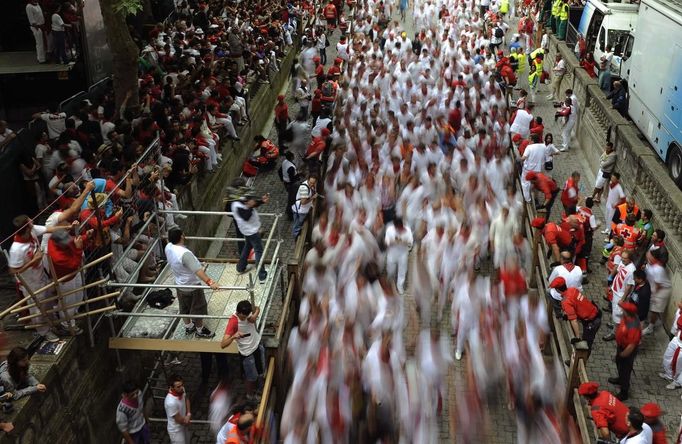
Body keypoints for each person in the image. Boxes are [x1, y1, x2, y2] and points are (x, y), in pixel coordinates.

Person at [7, 215, 65, 342]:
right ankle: (44, 332)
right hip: (31, 283)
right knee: (38, 309)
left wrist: (69, 227)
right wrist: (33, 261)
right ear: (26, 228)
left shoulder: (32, 230)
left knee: (49, 302)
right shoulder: (16, 249)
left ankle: (54, 323)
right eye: (29, 221)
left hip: (41, 275)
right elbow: (13, 271)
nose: (32, 221)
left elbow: (49, 229)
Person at [164, 228, 217, 338]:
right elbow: (198, 271)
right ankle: (199, 329)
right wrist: (210, 282)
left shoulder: (168, 247)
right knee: (198, 309)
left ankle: (188, 326)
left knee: (184, 308)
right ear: (182, 236)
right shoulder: (185, 254)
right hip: (192, 286)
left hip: (179, 284)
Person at [220, 300, 265, 401]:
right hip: (247, 353)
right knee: (251, 377)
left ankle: (260, 389)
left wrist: (255, 314)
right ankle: (250, 396)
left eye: (247, 315)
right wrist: (233, 337)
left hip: (257, 345)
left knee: (261, 370)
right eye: (243, 317)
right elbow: (223, 345)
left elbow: (256, 310)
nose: (245, 318)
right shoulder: (233, 322)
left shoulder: (247, 312)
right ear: (239, 312)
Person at [552, 279, 602, 353]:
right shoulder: (572, 289)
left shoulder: (565, 301)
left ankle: (580, 362)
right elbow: (576, 304)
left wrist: (577, 337)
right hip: (594, 313)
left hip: (592, 322)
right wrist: (568, 314)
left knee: (585, 346)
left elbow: (574, 320)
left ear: (557, 290)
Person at [231, 193, 269, 282]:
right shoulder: (236, 205)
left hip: (249, 230)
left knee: (247, 246)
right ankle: (262, 275)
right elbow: (246, 216)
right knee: (258, 251)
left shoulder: (240, 199)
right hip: (251, 231)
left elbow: (252, 202)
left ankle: (240, 267)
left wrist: (261, 201)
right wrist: (250, 206)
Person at [608, 301, 641, 401]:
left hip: (627, 351)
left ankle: (624, 392)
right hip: (621, 347)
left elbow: (631, 346)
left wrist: (622, 354)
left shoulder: (633, 326)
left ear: (628, 312)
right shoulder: (626, 317)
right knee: (619, 365)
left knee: (625, 370)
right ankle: (620, 379)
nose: (622, 310)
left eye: (624, 310)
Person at [642, 248, 672, 335]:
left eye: (650, 256)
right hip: (655, 287)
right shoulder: (651, 263)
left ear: (655, 258)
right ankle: (652, 320)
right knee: (652, 306)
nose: (648, 257)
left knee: (655, 309)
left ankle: (650, 327)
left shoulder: (658, 269)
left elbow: (658, 285)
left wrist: (653, 294)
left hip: (661, 290)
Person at [546, 252, 583, 317]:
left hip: (562, 296)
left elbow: (551, 281)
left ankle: (558, 310)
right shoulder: (579, 269)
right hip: (574, 295)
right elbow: (580, 283)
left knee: (548, 291)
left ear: (561, 259)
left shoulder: (557, 269)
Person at [384, 217, 413, 295]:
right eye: (398, 227)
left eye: (401, 226)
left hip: (403, 253)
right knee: (390, 270)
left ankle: (400, 286)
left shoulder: (407, 230)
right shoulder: (390, 229)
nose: (400, 229)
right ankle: (390, 285)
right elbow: (386, 242)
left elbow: (410, 242)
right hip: (392, 253)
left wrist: (403, 241)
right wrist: (393, 241)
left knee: (402, 270)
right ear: (395, 226)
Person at [164, 374, 191, 444]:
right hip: (176, 430)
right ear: (172, 387)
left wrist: (188, 414)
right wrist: (186, 421)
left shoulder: (181, 389)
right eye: (178, 387)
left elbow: (186, 398)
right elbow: (178, 419)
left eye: (182, 385)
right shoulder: (170, 402)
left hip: (184, 423)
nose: (182, 388)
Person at [292, 174, 318, 239]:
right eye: (311, 182)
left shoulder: (309, 185)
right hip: (300, 210)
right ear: (308, 180)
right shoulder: (304, 189)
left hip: (301, 209)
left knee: (298, 224)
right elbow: (303, 202)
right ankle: (297, 238)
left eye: (313, 183)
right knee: (298, 225)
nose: (312, 184)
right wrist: (313, 197)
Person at [281, 151, 299, 220]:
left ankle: (289, 211)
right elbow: (292, 179)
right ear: (291, 157)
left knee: (291, 198)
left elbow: (279, 171)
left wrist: (283, 179)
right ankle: (290, 215)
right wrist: (298, 175)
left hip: (287, 183)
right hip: (291, 185)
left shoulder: (284, 162)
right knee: (292, 200)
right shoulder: (290, 167)